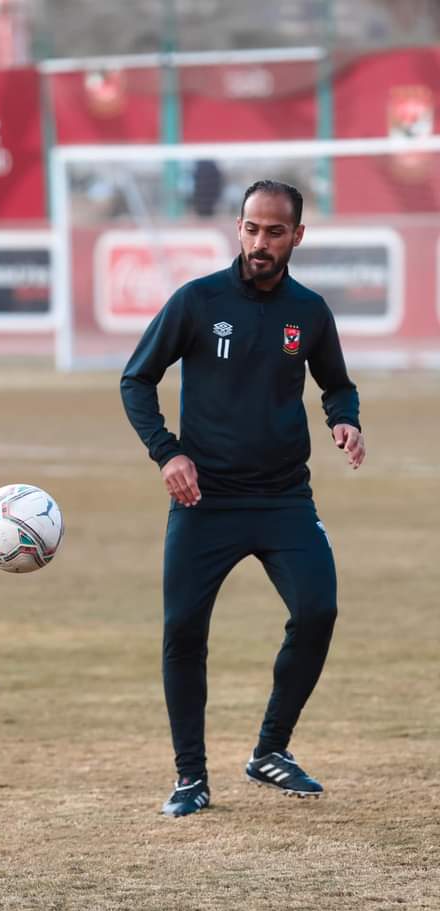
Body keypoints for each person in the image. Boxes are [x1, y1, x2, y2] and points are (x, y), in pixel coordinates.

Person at [120, 179, 365, 817]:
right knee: (183, 631)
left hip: (285, 500)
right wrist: (168, 452)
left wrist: (345, 419)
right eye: (252, 229)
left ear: (297, 236)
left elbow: (337, 384)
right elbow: (136, 379)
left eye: (275, 232)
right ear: (238, 228)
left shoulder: (310, 312)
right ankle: (190, 778)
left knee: (318, 611)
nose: (261, 242)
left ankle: (270, 750)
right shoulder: (197, 301)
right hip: (206, 501)